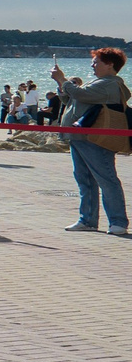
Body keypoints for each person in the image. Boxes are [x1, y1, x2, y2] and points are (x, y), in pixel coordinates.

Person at [54, 48, 129, 234]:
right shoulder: (98, 83)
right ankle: (87, 220)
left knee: (106, 179)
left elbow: (81, 95)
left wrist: (62, 80)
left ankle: (118, 222)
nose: (92, 65)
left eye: (96, 62)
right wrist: (61, 85)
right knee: (85, 180)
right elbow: (72, 99)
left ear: (110, 64)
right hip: (80, 137)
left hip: (96, 138)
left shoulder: (110, 84)